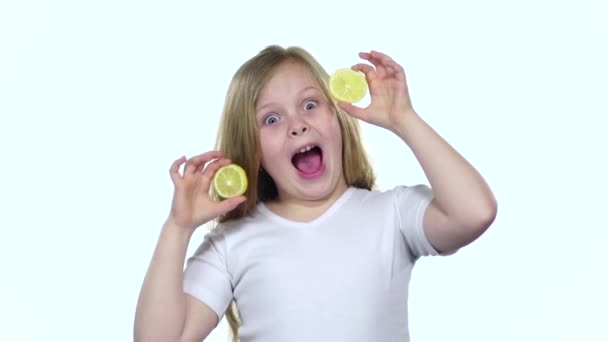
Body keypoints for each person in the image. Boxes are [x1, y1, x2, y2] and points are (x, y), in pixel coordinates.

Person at [134, 45, 497, 342]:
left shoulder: (393, 214)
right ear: (254, 151)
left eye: (310, 105)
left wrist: (404, 119)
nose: (297, 124)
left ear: (338, 118)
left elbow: (474, 212)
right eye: (271, 119)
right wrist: (178, 227)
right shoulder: (231, 244)